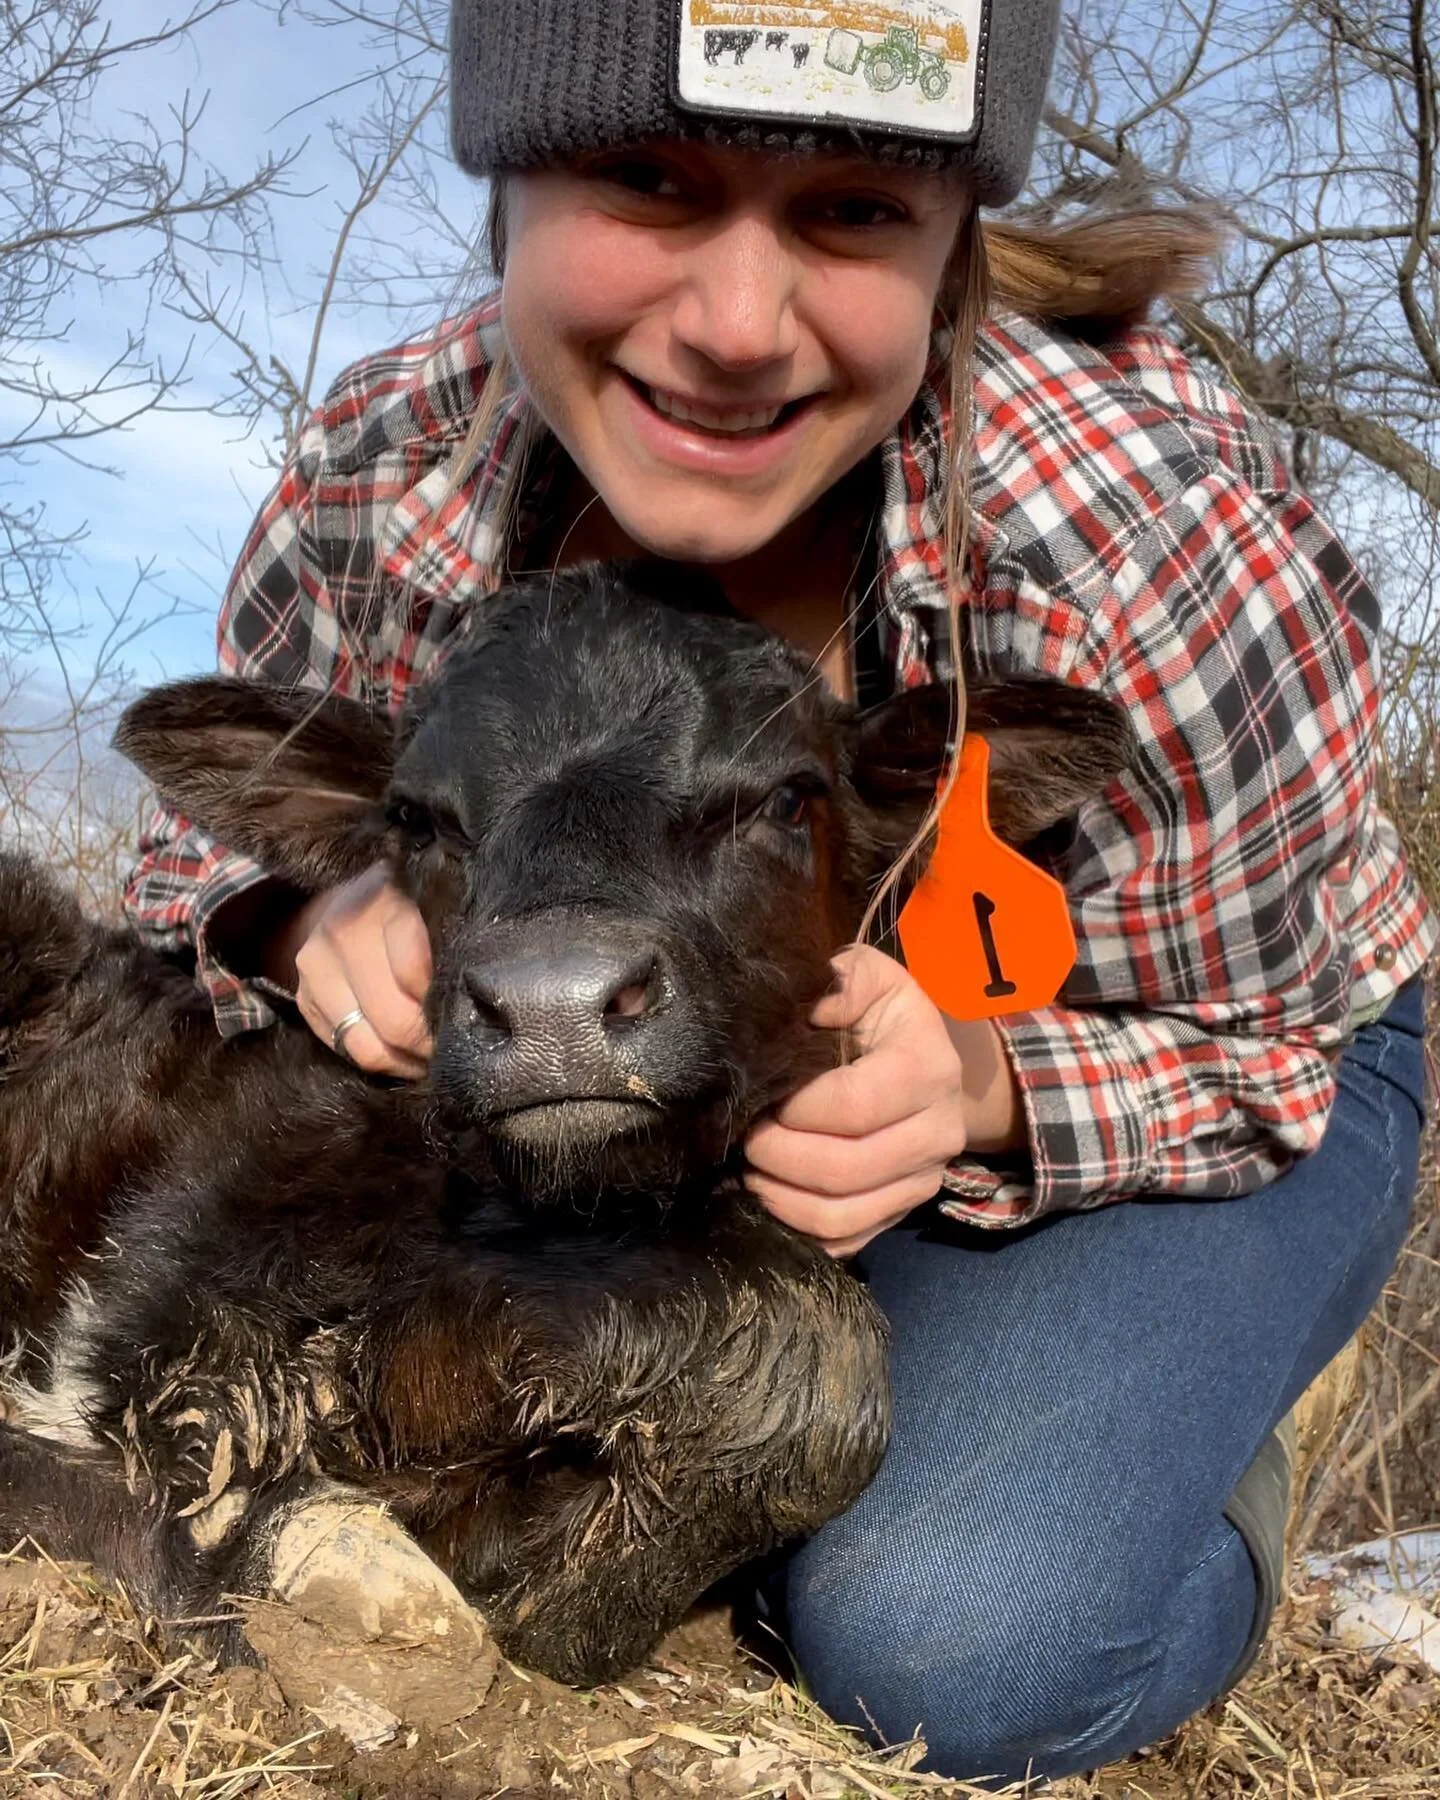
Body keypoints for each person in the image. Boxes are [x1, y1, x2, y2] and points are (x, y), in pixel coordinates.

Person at [122, 1, 1433, 1783]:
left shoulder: (1152, 558)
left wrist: (979, 1085)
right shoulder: (384, 478)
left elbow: (1264, 1039)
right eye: (646, 179)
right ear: (503, 186)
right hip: (670, 1051)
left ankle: (1205, 1450)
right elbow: (197, 858)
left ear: (956, 240)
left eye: (854, 210)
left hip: (1207, 1045)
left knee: (953, 1636)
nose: (737, 330)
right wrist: (305, 916)